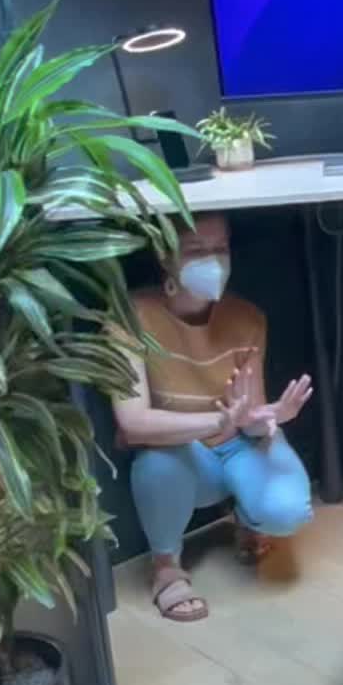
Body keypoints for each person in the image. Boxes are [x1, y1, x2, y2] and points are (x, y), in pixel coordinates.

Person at [114, 212, 314, 621]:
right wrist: (214, 423)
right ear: (166, 257)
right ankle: (166, 568)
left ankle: (248, 519)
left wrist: (273, 416)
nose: (213, 260)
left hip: (239, 447)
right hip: (183, 455)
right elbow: (132, 424)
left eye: (220, 248)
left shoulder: (247, 318)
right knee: (157, 466)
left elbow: (250, 419)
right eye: (196, 250)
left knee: (287, 511)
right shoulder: (130, 317)